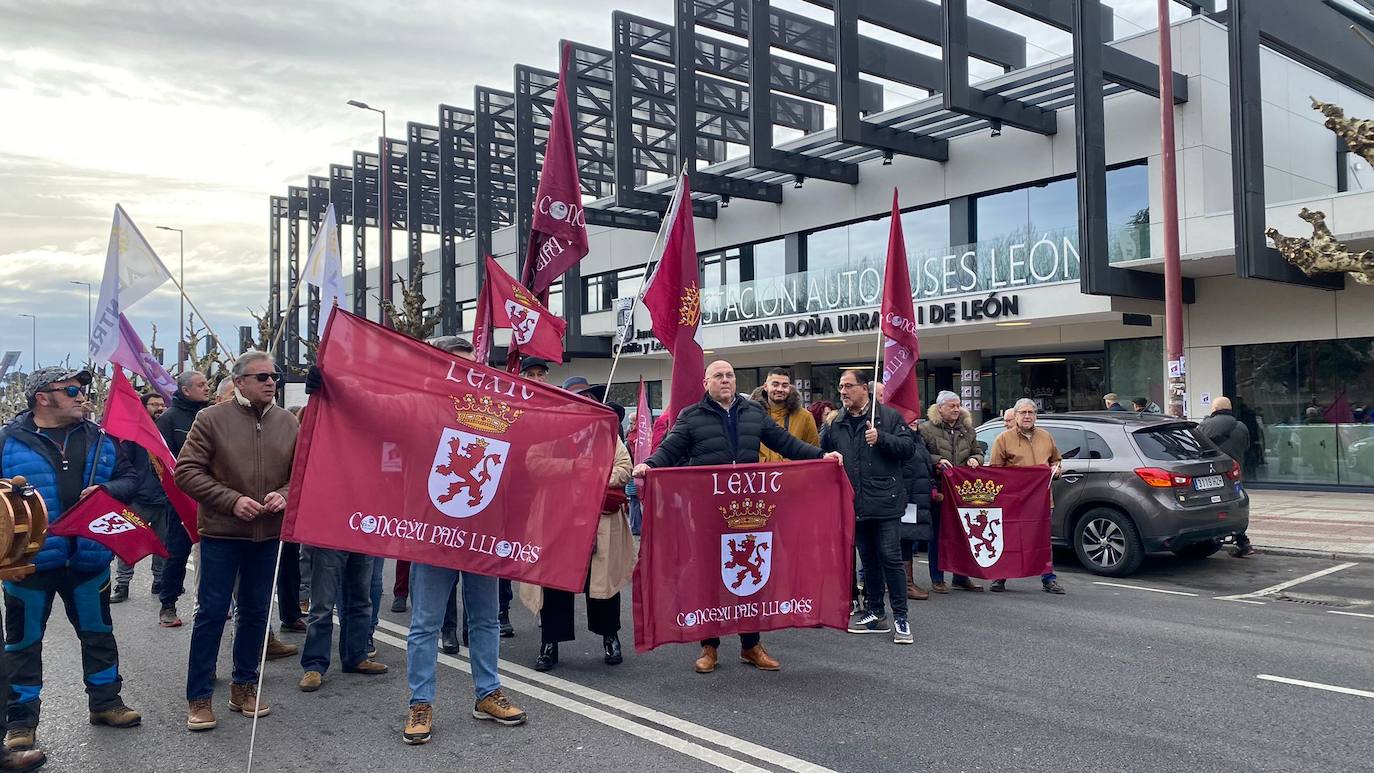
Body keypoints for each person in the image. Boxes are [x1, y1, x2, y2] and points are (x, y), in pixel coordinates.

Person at [297, 340, 529, 745]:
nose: (465, 376)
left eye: (469, 368)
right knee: (424, 624)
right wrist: (332, 383)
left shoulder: (495, 412)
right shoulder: (419, 407)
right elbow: (371, 407)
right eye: (454, 368)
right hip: (433, 534)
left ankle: (487, 692)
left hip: (484, 535)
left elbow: (539, 429)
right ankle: (421, 701)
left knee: (486, 619)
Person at [632, 360, 842, 673]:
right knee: (707, 576)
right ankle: (708, 646)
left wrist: (821, 456)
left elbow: (785, 443)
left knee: (751, 582)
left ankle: (750, 645)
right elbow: (671, 449)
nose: (726, 380)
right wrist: (650, 465)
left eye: (730, 375)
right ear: (706, 383)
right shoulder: (691, 416)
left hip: (747, 512)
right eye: (719, 376)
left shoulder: (753, 412)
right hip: (706, 511)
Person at [0, 367, 142, 757]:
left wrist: (107, 489)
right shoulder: (7, 442)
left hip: (88, 557)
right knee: (23, 643)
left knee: (98, 634)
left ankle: (106, 703)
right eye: (73, 390)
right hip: (29, 564)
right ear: (42, 397)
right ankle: (20, 723)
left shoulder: (101, 438)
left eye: (84, 390)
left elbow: (132, 480)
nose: (83, 397)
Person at [175, 351, 298, 731]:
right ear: (239, 381)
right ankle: (199, 698)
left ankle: (244, 686)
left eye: (274, 376)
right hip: (222, 535)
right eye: (261, 376)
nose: (270, 382)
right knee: (211, 613)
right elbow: (186, 472)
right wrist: (232, 501)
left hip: (268, 535)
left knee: (257, 613)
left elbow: (304, 475)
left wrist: (286, 494)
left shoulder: (287, 422)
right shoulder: (210, 419)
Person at [525, 377, 636, 671]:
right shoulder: (550, 432)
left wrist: (596, 476)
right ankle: (550, 642)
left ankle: (610, 636)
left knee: (602, 585)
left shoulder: (608, 434)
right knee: (555, 583)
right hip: (557, 519)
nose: (583, 402)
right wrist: (572, 468)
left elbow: (624, 468)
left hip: (598, 520)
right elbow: (533, 463)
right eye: (577, 397)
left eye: (587, 397)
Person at [821, 371, 916, 644]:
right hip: (855, 502)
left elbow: (909, 449)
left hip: (886, 501)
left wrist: (883, 438)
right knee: (869, 559)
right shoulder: (835, 422)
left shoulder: (888, 417)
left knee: (890, 557)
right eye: (840, 386)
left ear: (864, 389)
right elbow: (822, 453)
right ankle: (875, 611)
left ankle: (901, 617)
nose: (843, 391)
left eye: (848, 386)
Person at [987, 398, 1065, 594]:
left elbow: (1057, 459)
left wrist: (1056, 470)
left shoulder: (1046, 436)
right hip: (1014, 501)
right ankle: (1001, 576)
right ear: (1016, 416)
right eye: (1023, 413)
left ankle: (1048, 578)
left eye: (1031, 412)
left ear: (1036, 416)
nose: (1027, 416)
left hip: (1042, 500)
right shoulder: (1003, 439)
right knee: (1010, 537)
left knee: (1042, 540)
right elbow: (996, 471)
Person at [154, 370, 211, 628]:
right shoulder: (169, 419)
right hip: (180, 497)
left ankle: (213, 601)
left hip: (211, 494)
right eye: (200, 385)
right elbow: (158, 459)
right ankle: (168, 604)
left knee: (213, 552)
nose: (206, 388)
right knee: (177, 553)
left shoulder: (210, 415)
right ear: (186, 390)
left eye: (207, 384)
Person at [916, 391, 984, 593]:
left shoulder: (968, 430)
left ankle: (961, 576)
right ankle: (937, 577)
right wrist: (937, 460)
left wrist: (976, 460)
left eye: (958, 405)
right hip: (938, 489)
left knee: (963, 534)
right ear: (940, 408)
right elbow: (920, 454)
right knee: (937, 535)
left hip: (962, 492)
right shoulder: (926, 429)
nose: (956, 409)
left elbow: (978, 452)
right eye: (951, 406)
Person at [110, 391, 171, 604]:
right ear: (143, 407)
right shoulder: (133, 434)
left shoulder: (166, 430)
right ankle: (123, 584)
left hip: (165, 500)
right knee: (128, 542)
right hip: (139, 499)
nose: (160, 408)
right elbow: (124, 464)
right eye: (154, 404)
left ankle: (159, 581)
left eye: (162, 404)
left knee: (163, 544)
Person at [1201, 397, 1255, 558]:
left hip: (1211, 475)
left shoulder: (1205, 426)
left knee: (1210, 507)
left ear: (1215, 409)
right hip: (1234, 474)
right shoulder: (1241, 426)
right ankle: (1243, 542)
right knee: (1236, 506)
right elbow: (1246, 447)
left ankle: (1215, 537)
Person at [750, 367, 820, 462]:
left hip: (793, 475)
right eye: (775, 384)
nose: (780, 389)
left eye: (784, 385)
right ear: (765, 387)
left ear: (790, 388)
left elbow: (813, 454)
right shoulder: (751, 416)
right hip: (760, 475)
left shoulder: (805, 417)